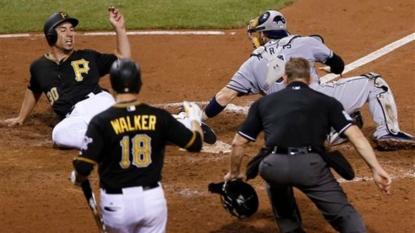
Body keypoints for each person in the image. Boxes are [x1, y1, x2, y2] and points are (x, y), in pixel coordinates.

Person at [0, 7, 216, 148]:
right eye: (64, 30)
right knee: (59, 135)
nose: (70, 34)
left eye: (71, 30)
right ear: (50, 36)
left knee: (124, 130)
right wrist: (21, 118)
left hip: (98, 104)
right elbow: (34, 89)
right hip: (74, 116)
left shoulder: (87, 56)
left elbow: (123, 58)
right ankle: (109, 139)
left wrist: (120, 29)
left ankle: (185, 121)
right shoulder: (38, 67)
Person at [203, 10, 414, 150]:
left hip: (285, 126)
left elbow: (224, 97)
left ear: (265, 35)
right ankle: (387, 131)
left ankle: (325, 135)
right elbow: (339, 65)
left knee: (352, 117)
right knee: (373, 82)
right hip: (317, 102)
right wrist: (330, 66)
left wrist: (201, 117)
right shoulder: (304, 42)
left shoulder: (251, 63)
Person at [224, 57, 392, 233]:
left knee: (279, 193)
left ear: (285, 78)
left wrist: (234, 173)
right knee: (344, 214)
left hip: (273, 166)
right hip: (310, 167)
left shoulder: (263, 103)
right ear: (310, 78)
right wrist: (376, 169)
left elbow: (238, 142)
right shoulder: (327, 102)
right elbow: (356, 135)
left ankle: (291, 227)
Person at [71, 58, 204, 232]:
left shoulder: (101, 122)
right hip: (151, 201)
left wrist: (78, 177)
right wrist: (194, 119)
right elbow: (195, 143)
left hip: (116, 205)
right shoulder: (159, 117)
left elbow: (83, 168)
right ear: (139, 84)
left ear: (112, 86)